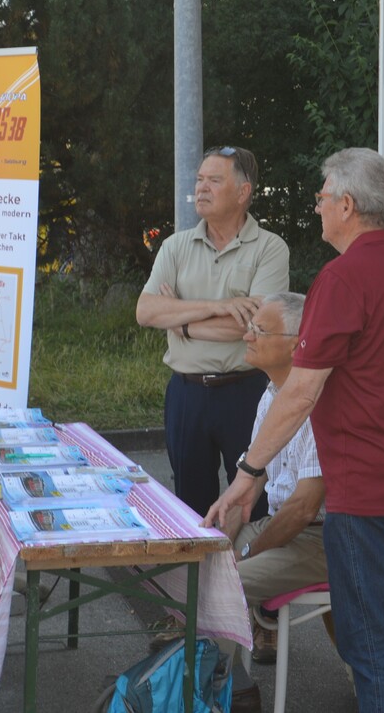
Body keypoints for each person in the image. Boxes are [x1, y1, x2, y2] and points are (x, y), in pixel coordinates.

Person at [206, 148, 384, 712]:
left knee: (375, 645)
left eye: (322, 196)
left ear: (348, 205)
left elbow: (299, 390)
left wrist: (248, 472)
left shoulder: (342, 280)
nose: (317, 205)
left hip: (369, 493)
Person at [136, 146, 289, 518]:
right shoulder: (175, 246)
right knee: (189, 505)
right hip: (186, 393)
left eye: (214, 180)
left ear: (243, 192)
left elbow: (253, 327)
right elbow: (145, 311)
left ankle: (247, 576)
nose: (201, 189)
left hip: (247, 393)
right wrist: (218, 306)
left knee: (252, 502)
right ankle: (195, 578)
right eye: (199, 180)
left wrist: (180, 321)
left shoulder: (270, 248)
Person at [218, 292, 326, 669]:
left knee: (224, 585)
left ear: (298, 346)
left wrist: (247, 552)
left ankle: (211, 691)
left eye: (259, 330)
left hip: (318, 538)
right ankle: (223, 689)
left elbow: (303, 509)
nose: (247, 336)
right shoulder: (271, 396)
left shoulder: (318, 404)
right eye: (249, 327)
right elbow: (249, 481)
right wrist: (219, 538)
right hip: (282, 528)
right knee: (204, 566)